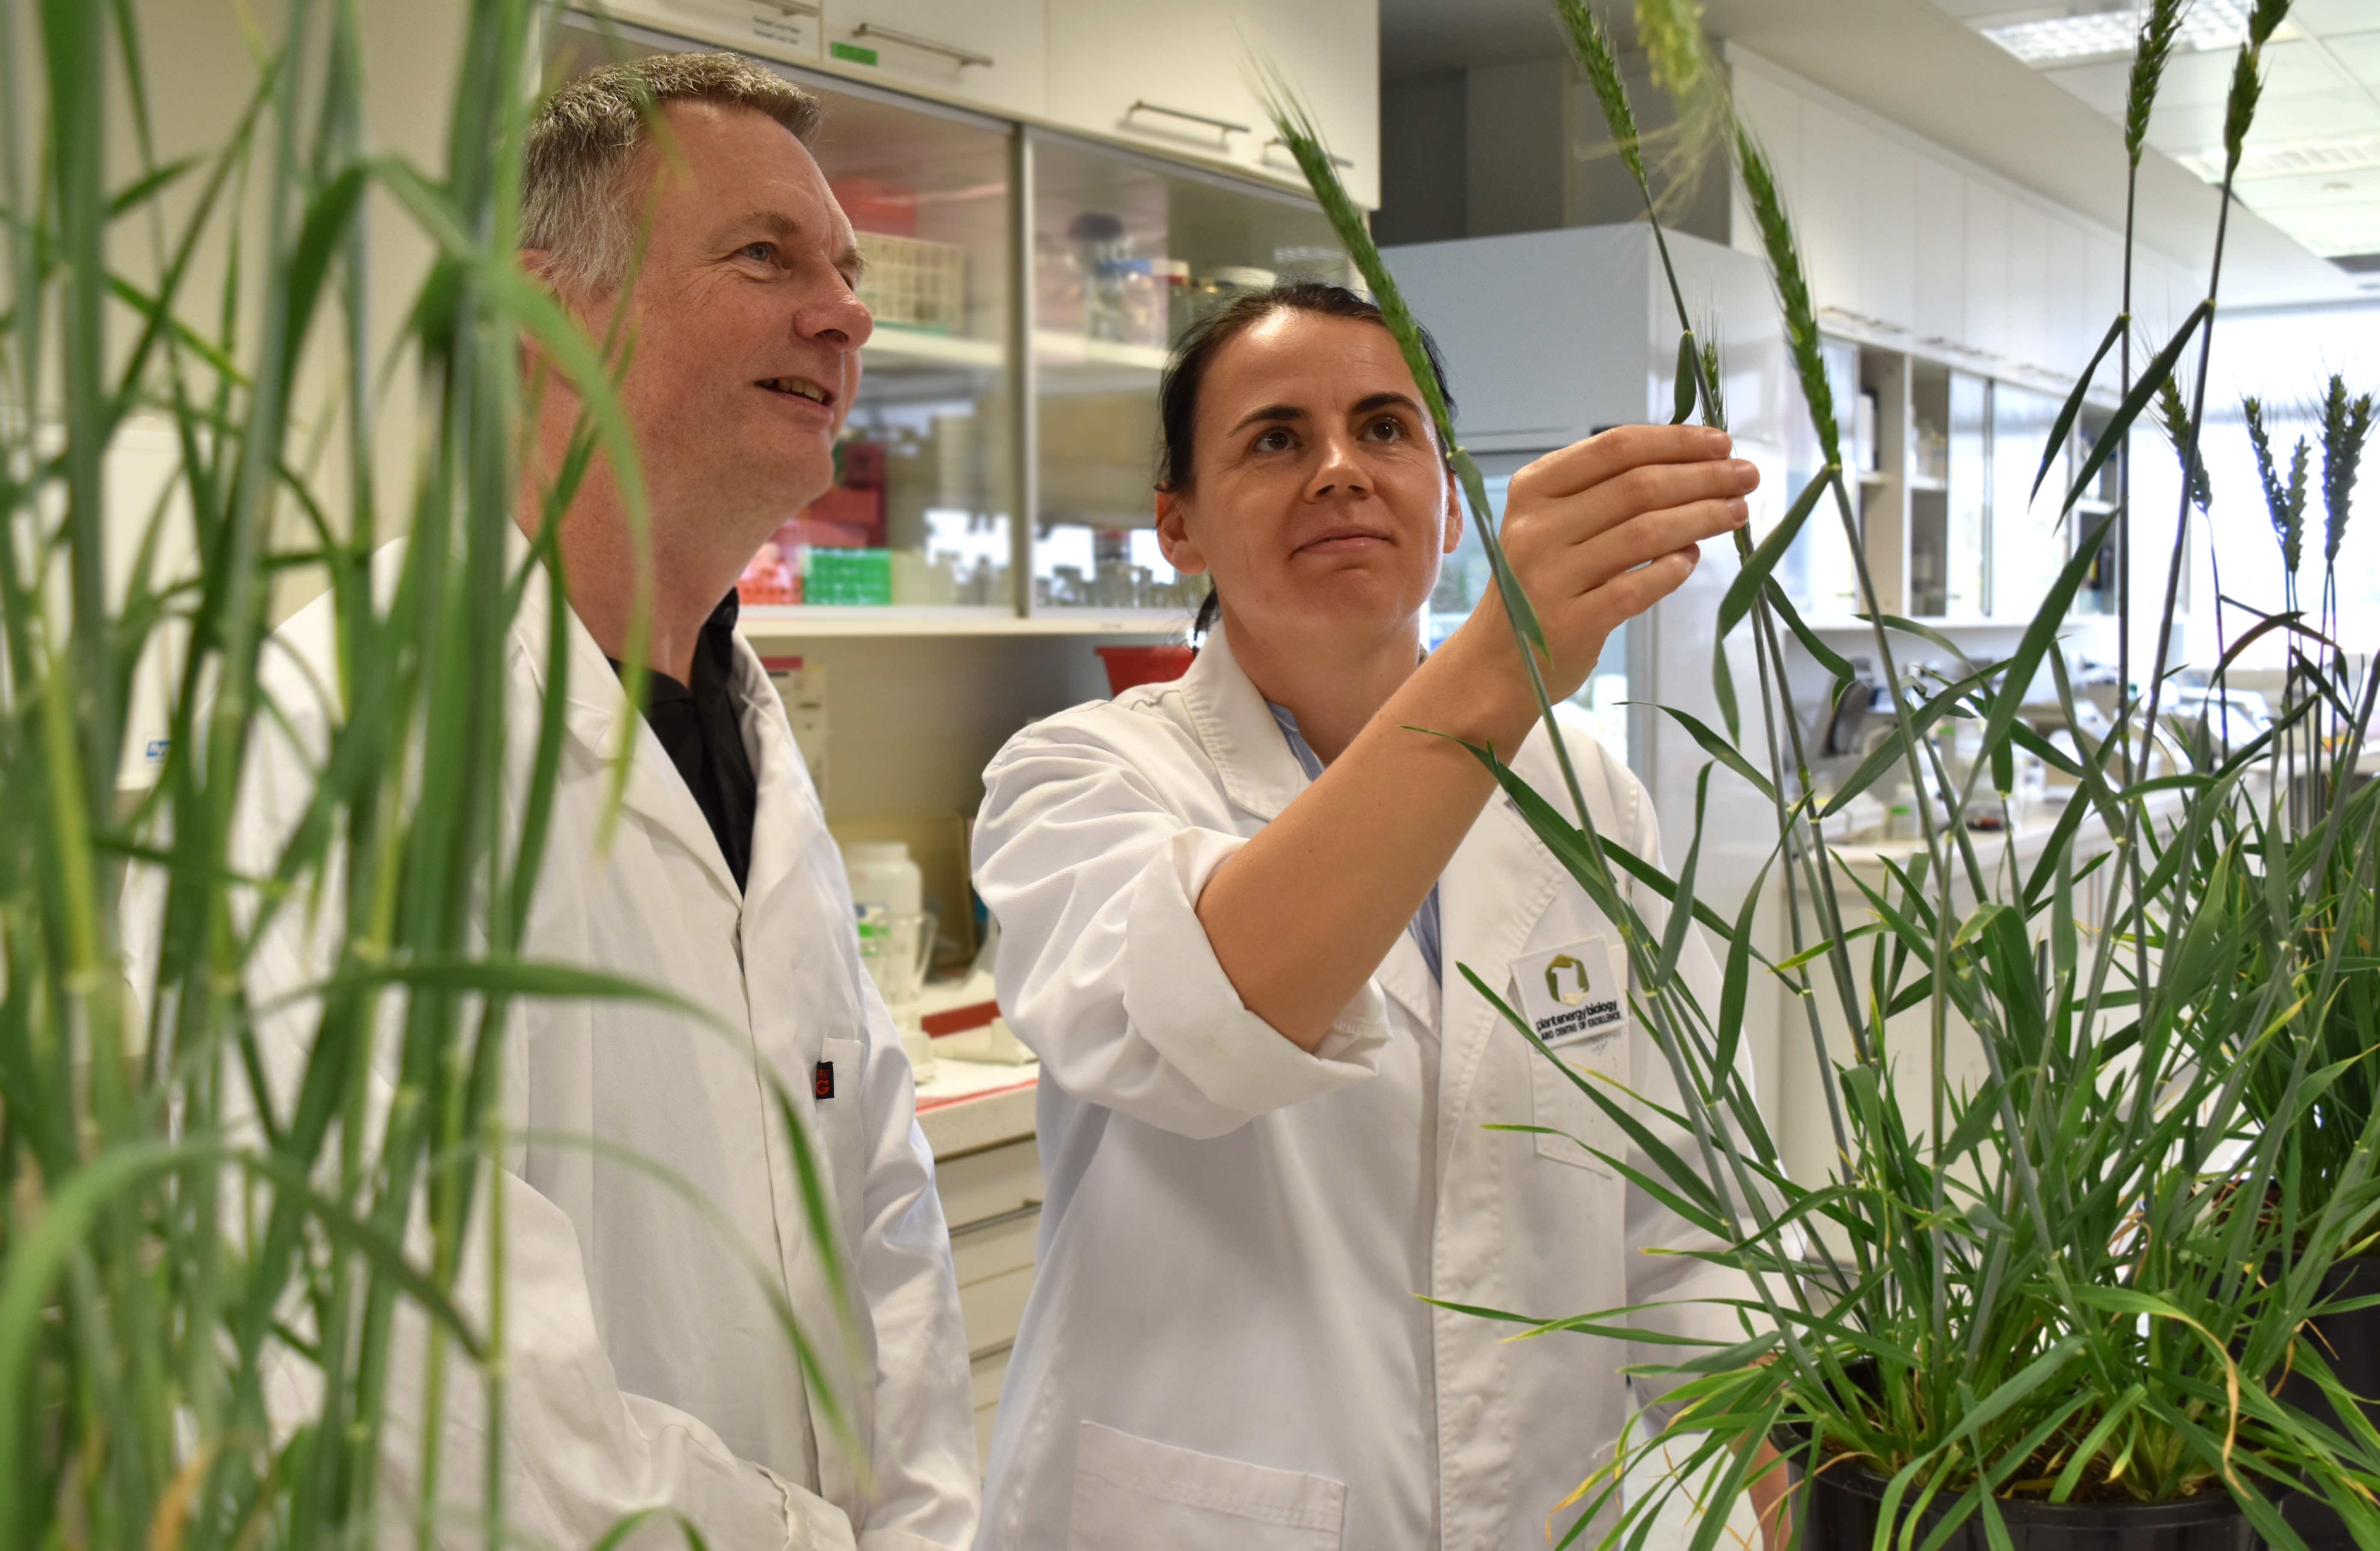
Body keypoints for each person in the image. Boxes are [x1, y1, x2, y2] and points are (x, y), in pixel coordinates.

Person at [126, 54, 977, 1551]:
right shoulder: (348, 726)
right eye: (764, 256)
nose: (845, 312)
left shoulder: (745, 737)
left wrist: (915, 1526)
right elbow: (421, 1384)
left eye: (847, 269)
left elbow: (883, 1234)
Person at [969, 283, 1777, 1548]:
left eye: (1386, 429)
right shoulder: (1078, 777)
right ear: (1176, 524)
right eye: (1276, 437)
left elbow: (1662, 1200)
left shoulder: (1583, 791)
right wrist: (1500, 664)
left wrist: (1760, 1466)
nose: (1340, 469)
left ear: (1448, 500)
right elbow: (1213, 1018)